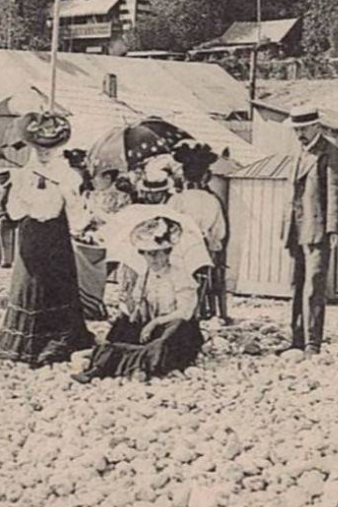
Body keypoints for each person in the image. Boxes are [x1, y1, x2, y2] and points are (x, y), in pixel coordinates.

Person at [0, 111, 94, 367]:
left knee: (57, 282)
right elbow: (14, 211)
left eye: (50, 148)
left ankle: (58, 340)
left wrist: (70, 199)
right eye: (39, 148)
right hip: (31, 233)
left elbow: (74, 210)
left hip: (56, 233)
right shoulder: (23, 174)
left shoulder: (68, 174)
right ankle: (25, 343)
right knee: (30, 282)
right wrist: (26, 196)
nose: (44, 153)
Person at [72, 217, 206, 383]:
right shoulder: (144, 277)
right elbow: (139, 311)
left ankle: (140, 366)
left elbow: (184, 313)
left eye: (156, 254)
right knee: (123, 324)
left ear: (168, 252)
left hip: (176, 329)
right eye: (146, 254)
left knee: (174, 329)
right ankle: (102, 366)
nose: (152, 260)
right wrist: (133, 307)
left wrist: (155, 322)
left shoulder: (180, 276)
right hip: (152, 328)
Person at [280, 106, 338, 355]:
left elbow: (336, 191)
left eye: (304, 129)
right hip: (295, 228)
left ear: (317, 126)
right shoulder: (298, 152)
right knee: (296, 285)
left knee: (314, 285)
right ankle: (296, 339)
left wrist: (334, 229)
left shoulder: (331, 152)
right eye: (296, 129)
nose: (299, 134)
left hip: (317, 228)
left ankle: (312, 343)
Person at [167, 146, 231, 322]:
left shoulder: (176, 200)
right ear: (205, 177)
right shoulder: (212, 201)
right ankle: (200, 307)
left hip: (177, 252)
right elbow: (220, 232)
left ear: (184, 177)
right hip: (202, 253)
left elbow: (165, 227)